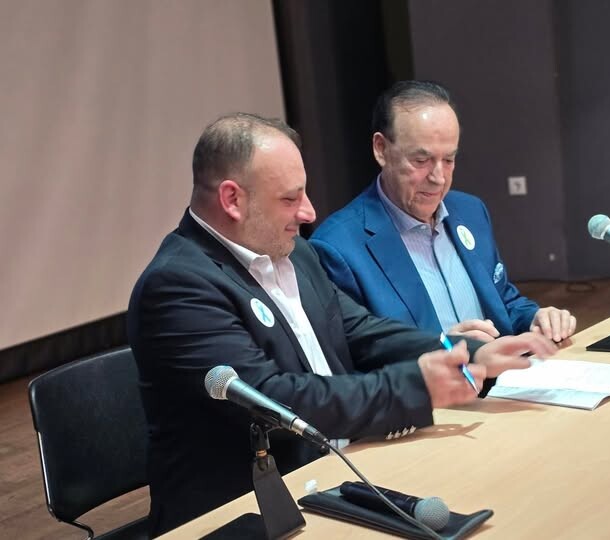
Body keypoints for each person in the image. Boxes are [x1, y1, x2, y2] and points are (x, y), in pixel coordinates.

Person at [128, 113, 558, 536]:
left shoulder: (294, 253)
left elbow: (360, 331)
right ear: (232, 199)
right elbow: (272, 400)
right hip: (246, 512)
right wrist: (415, 386)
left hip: (339, 473)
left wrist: (464, 351)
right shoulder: (178, 285)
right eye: (289, 199)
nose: (308, 211)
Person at [310, 81, 577, 344]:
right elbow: (356, 355)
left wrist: (535, 318)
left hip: (506, 371)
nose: (438, 178)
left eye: (448, 159)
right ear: (381, 149)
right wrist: (444, 348)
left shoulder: (471, 211)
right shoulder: (338, 247)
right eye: (421, 160)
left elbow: (502, 300)